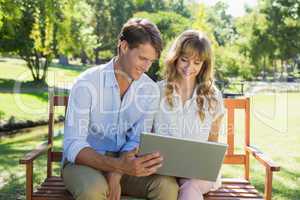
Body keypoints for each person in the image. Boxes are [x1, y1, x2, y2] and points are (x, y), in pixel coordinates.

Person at [62, 18, 179, 200]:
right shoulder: (87, 83)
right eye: (142, 58)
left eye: (151, 61)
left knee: (166, 186)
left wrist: (116, 173)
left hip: (126, 164)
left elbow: (136, 139)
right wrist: (117, 166)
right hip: (84, 164)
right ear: (124, 47)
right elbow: (73, 145)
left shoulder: (149, 90)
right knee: (93, 191)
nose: (146, 67)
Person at [153, 30, 225, 200]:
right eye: (184, 60)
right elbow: (145, 135)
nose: (189, 67)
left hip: (198, 173)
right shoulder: (157, 91)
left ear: (204, 65)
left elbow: (213, 143)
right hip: (163, 169)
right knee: (167, 187)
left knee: (190, 186)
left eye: (197, 62)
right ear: (175, 58)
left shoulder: (213, 96)